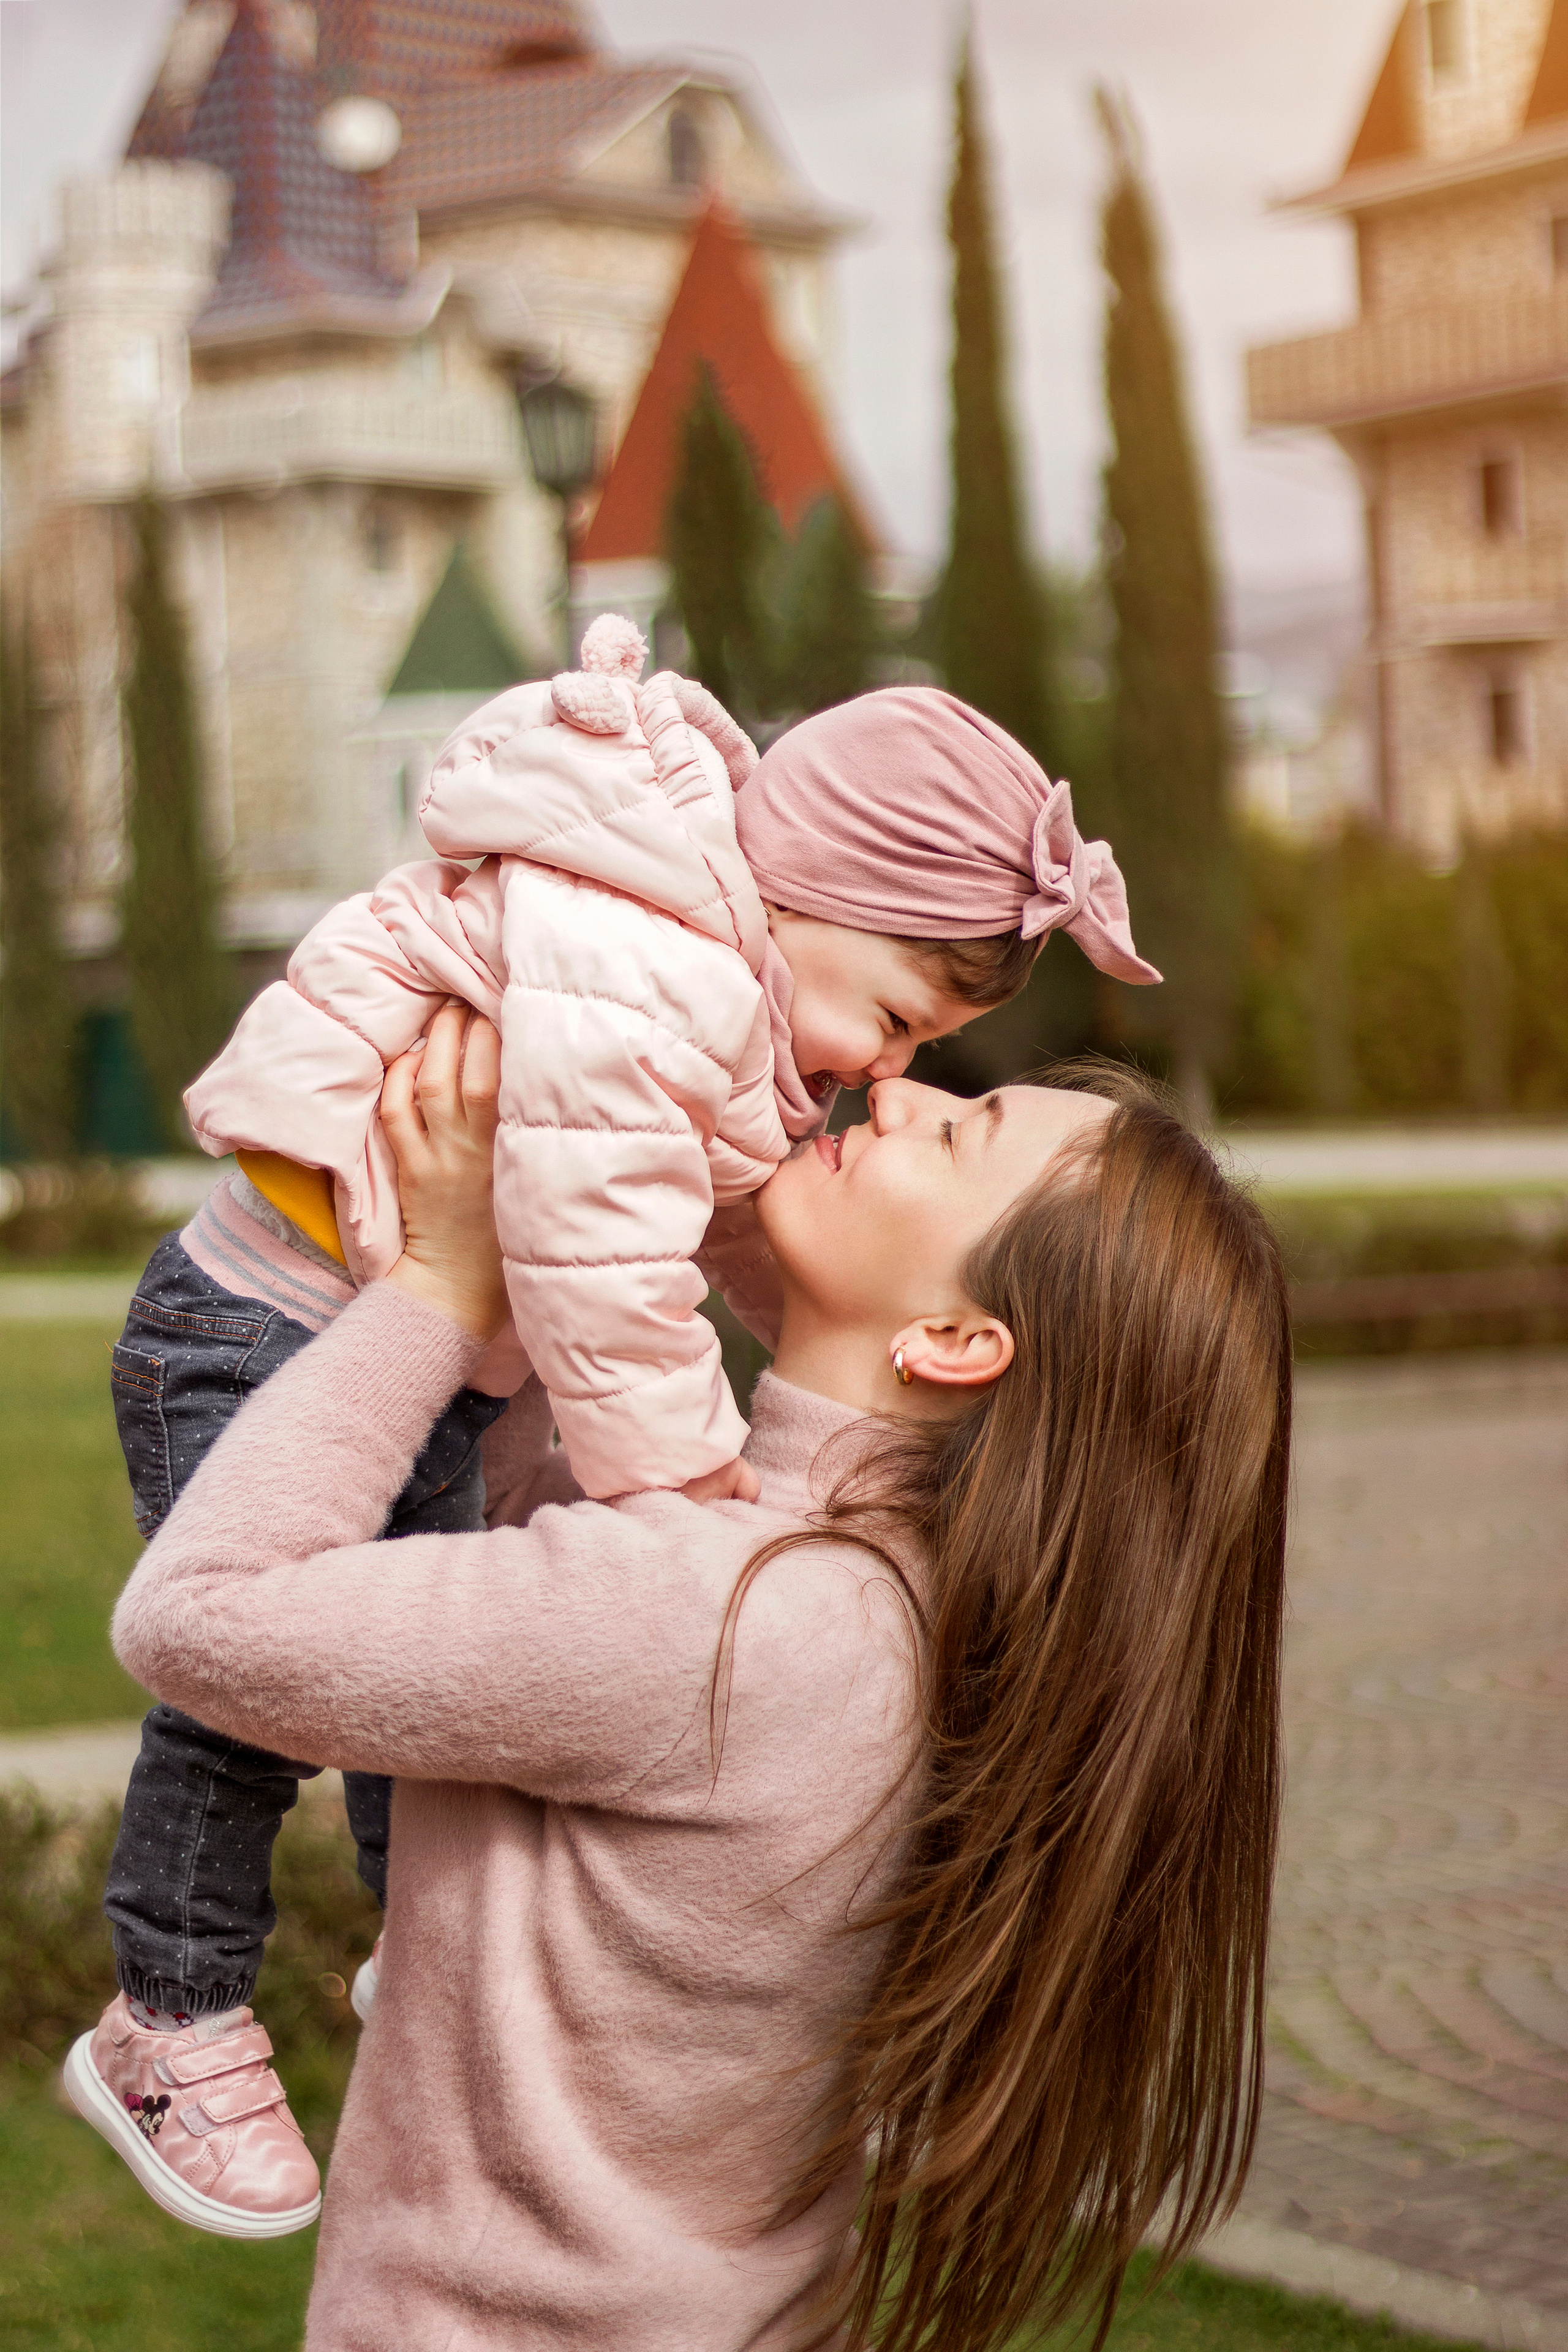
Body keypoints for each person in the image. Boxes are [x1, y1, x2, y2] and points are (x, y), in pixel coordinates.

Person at [86, 619, 1162, 2231]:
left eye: (927, 1057)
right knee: (256, 1711)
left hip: (375, 1330)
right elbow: (592, 1253)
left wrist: (782, 1397)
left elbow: (717, 1221)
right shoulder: (657, 963)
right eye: (898, 1019)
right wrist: (684, 1480)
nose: (883, 1073)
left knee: (408, 1683)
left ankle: (420, 1963)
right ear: (817, 897)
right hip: (259, 1327)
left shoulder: (710, 970)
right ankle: (168, 2012)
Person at [72, 1004, 1291, 2351]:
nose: (898, 1097)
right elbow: (534, 1534)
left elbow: (202, 1619)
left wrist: (432, 1287)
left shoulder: (730, 1617)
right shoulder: (863, 1592)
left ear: (954, 1342)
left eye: (956, 1135)